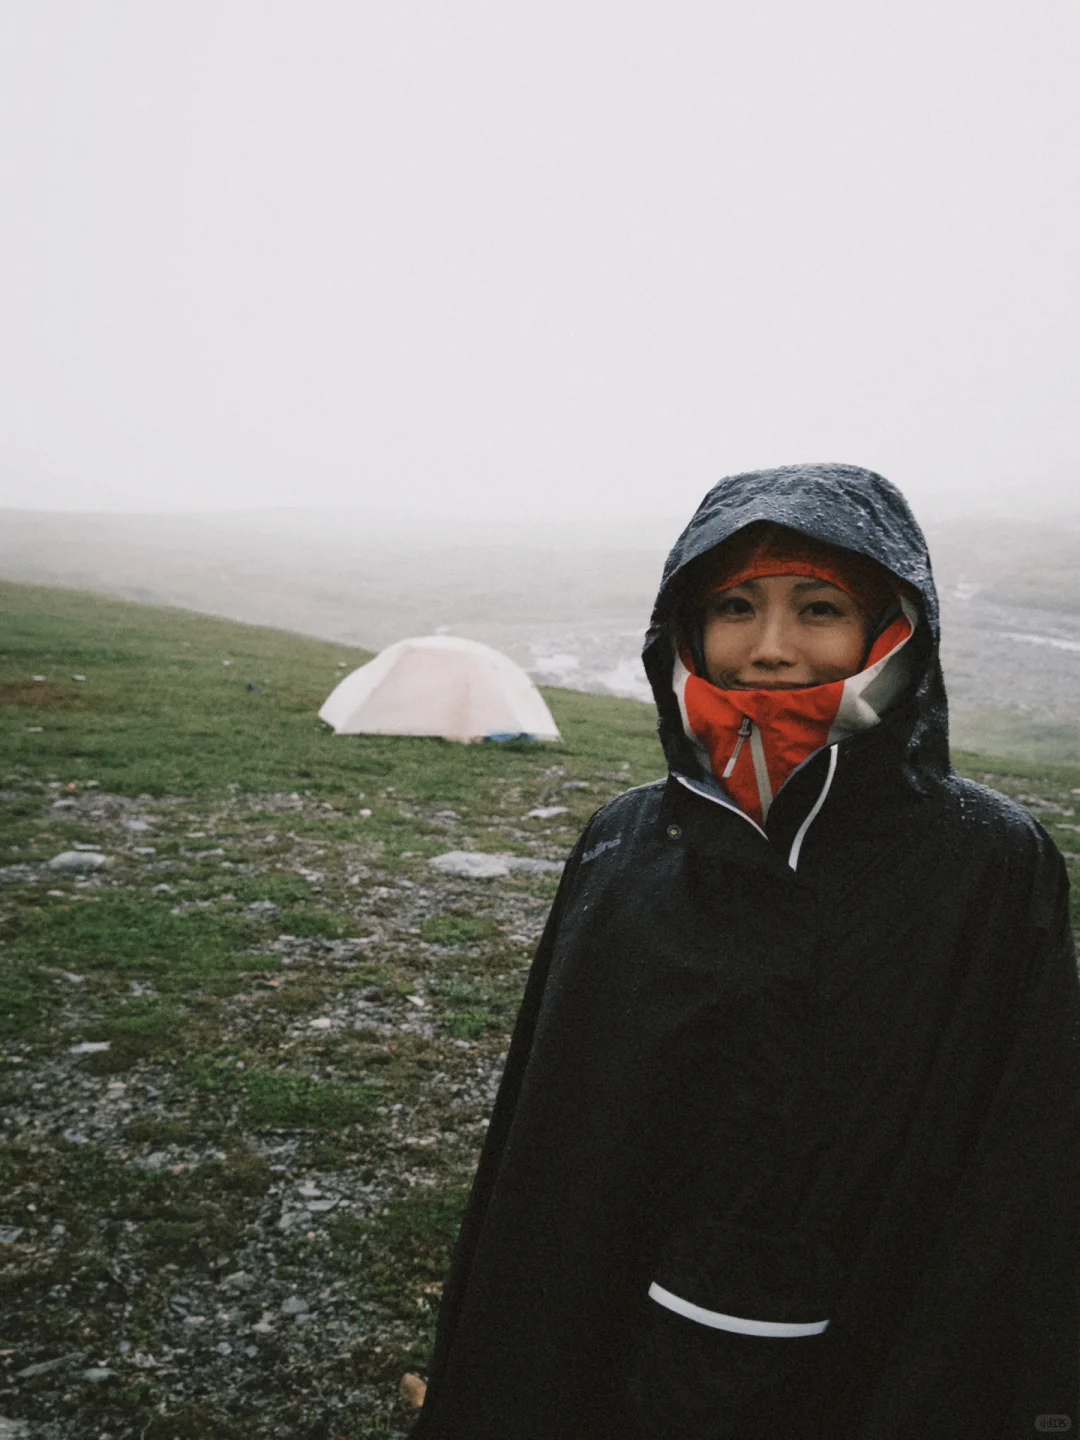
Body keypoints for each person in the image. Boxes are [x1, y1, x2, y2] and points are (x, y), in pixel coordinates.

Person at [412, 463, 1079, 1440]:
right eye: (733, 605)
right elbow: (552, 1145)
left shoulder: (988, 864)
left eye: (819, 607)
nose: (772, 648)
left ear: (890, 630)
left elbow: (1019, 1160)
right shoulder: (626, 843)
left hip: (868, 1347)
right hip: (614, 1330)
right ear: (685, 629)